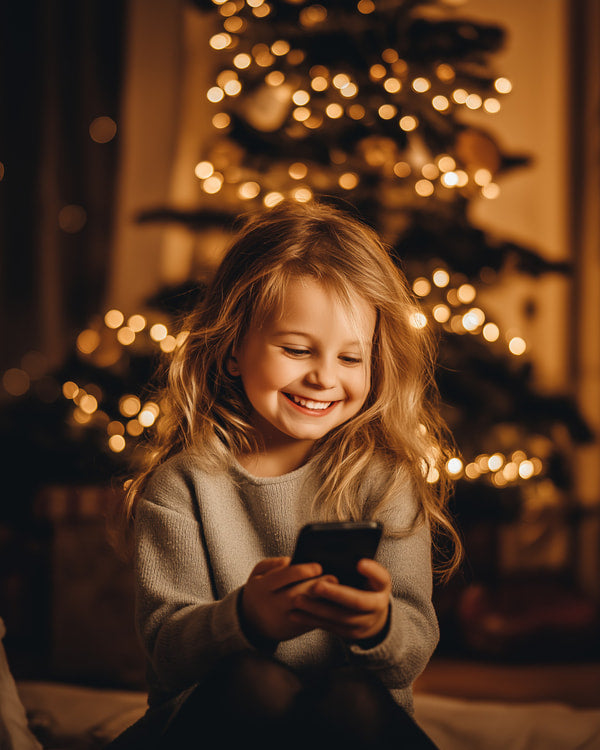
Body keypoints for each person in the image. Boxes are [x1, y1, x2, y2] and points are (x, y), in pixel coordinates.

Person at [108, 200, 461, 749]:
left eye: (351, 358)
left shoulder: (384, 482)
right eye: (297, 349)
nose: (324, 377)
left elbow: (411, 650)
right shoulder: (182, 487)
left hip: (350, 725)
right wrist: (247, 619)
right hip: (222, 722)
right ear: (231, 350)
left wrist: (378, 625)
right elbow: (167, 652)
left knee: (354, 699)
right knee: (257, 684)